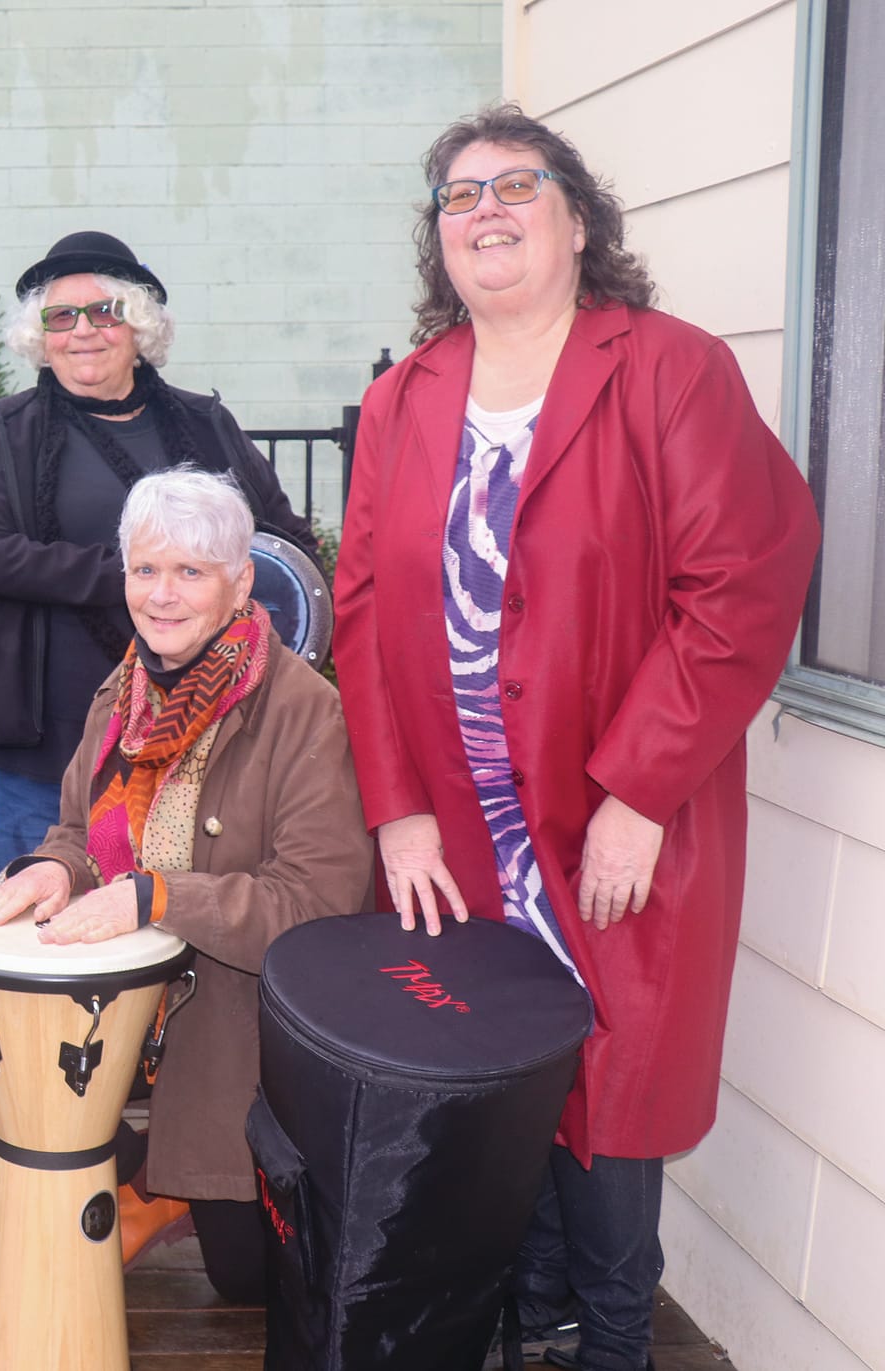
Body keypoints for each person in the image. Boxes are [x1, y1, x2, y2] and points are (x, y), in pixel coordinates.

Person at [332, 106, 818, 1371]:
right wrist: (397, 808)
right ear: (435, 240)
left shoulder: (665, 366)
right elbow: (366, 614)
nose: (483, 210)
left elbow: (743, 581)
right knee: (505, 1066)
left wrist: (640, 789)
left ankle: (613, 1341)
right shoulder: (402, 397)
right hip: (462, 817)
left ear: (576, 217)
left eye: (514, 185)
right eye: (456, 196)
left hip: (610, 812)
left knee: (615, 1079)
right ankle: (529, 1307)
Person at [0, 232, 317, 1211]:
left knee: (189, 954)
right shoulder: (11, 431)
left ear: (138, 325)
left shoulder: (200, 422)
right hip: (55, 731)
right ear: (38, 335)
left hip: (204, 737)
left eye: (99, 311)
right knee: (52, 943)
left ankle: (193, 1143)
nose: (80, 331)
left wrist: (209, 601)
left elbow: (277, 536)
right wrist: (127, 582)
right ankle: (33, 1129)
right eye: (58, 316)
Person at [0, 467, 370, 1302]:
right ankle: (157, 1175)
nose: (163, 594)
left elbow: (317, 902)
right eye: (146, 570)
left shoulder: (301, 709)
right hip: (139, 1003)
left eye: (192, 571)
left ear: (240, 581)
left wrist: (158, 896)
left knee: (246, 1285)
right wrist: (55, 868)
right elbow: (78, 829)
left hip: (236, 1030)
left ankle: (181, 1182)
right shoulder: (124, 689)